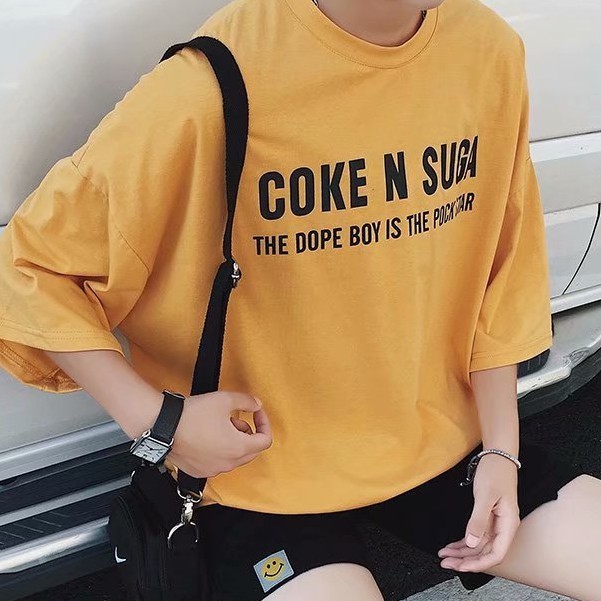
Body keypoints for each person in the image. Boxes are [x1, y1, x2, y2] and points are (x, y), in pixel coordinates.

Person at [0, 0, 599, 599]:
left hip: (440, 442)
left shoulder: (486, 50)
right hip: (255, 472)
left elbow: (501, 266)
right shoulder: (213, 80)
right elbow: (30, 270)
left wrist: (501, 452)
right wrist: (160, 424)